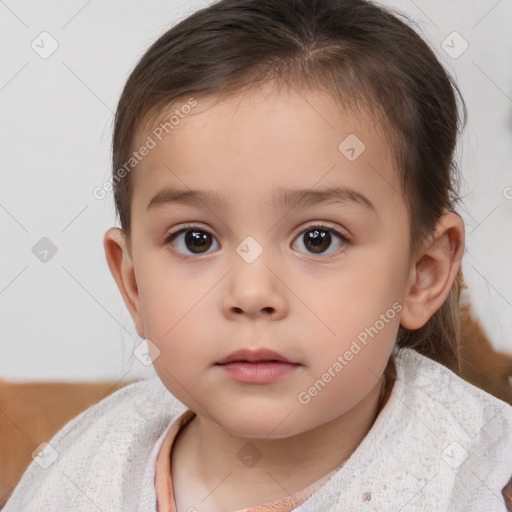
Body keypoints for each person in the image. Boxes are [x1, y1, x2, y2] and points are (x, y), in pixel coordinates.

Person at [4, 0, 512, 510]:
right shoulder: (83, 470)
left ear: (422, 275)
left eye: (318, 238)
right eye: (195, 239)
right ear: (134, 285)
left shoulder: (478, 481)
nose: (251, 294)